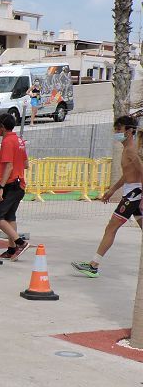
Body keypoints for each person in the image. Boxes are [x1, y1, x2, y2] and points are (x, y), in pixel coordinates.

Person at [73, 116, 143, 277]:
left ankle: (93, 265)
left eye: (120, 129)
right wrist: (112, 190)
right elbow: (128, 174)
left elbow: (141, 171)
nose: (117, 132)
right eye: (116, 129)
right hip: (132, 193)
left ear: (130, 130)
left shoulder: (131, 150)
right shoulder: (128, 149)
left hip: (133, 195)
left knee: (111, 228)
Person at [0, 112, 30, 260]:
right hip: (20, 185)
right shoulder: (19, 140)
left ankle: (20, 243)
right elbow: (26, 164)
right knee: (9, 216)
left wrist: (1, 187)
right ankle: (12, 250)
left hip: (10, 185)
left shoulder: (7, 141)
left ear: (1, 126)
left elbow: (9, 166)